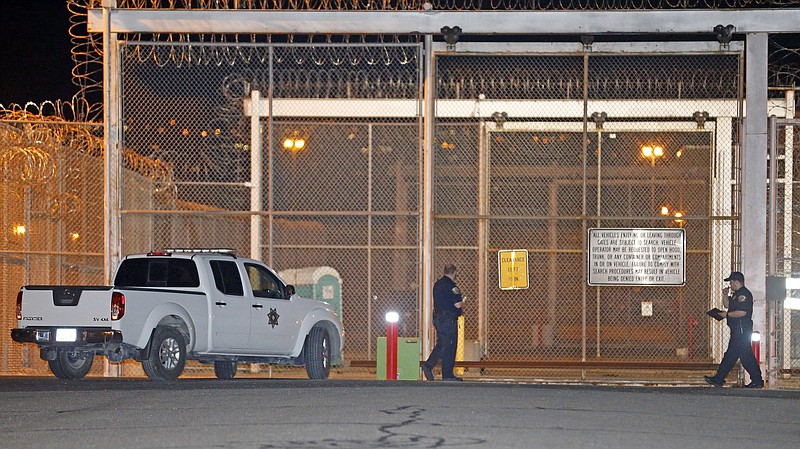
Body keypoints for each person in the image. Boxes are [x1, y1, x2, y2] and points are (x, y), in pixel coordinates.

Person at [704, 271, 764, 388]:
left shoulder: (744, 295)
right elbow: (727, 305)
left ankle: (719, 378)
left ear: (736, 282)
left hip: (742, 330)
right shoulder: (737, 294)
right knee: (744, 356)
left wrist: (726, 315)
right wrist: (725, 295)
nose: (730, 284)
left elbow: (742, 312)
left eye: (731, 282)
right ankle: (756, 380)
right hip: (738, 330)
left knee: (734, 355)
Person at [421, 264, 464, 382]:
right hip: (448, 320)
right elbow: (457, 304)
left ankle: (429, 365)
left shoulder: (437, 284)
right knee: (449, 345)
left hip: (439, 318)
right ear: (454, 272)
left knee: (443, 343)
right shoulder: (452, 286)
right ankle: (447, 374)